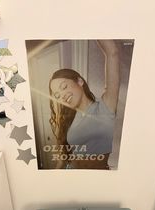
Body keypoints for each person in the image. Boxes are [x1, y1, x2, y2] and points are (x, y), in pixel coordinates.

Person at [49, 40, 120, 169]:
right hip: (71, 177)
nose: (62, 95)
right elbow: (61, 159)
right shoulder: (67, 120)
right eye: (57, 95)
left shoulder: (105, 107)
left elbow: (112, 53)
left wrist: (92, 23)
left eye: (63, 86)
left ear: (80, 81)